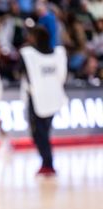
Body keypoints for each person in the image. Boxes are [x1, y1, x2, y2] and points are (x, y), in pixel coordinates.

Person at [19, 26, 67, 176]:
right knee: (43, 132)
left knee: (40, 133)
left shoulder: (28, 54)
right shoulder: (57, 54)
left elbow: (22, 71)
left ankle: (48, 163)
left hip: (38, 99)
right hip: (53, 96)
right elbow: (62, 75)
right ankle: (47, 162)